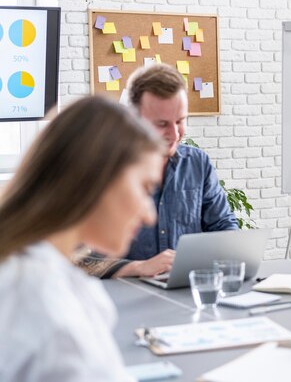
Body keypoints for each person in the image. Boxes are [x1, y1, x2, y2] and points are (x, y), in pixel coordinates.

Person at [0, 96, 164, 381]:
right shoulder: (43, 305)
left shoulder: (44, 273)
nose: (150, 215)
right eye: (144, 187)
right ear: (97, 176)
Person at [77, 64, 239, 278]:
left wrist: (232, 256)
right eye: (162, 124)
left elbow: (222, 225)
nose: (174, 133)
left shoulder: (197, 162)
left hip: (186, 291)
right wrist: (138, 267)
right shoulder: (101, 170)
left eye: (180, 121)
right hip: (124, 295)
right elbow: (77, 257)